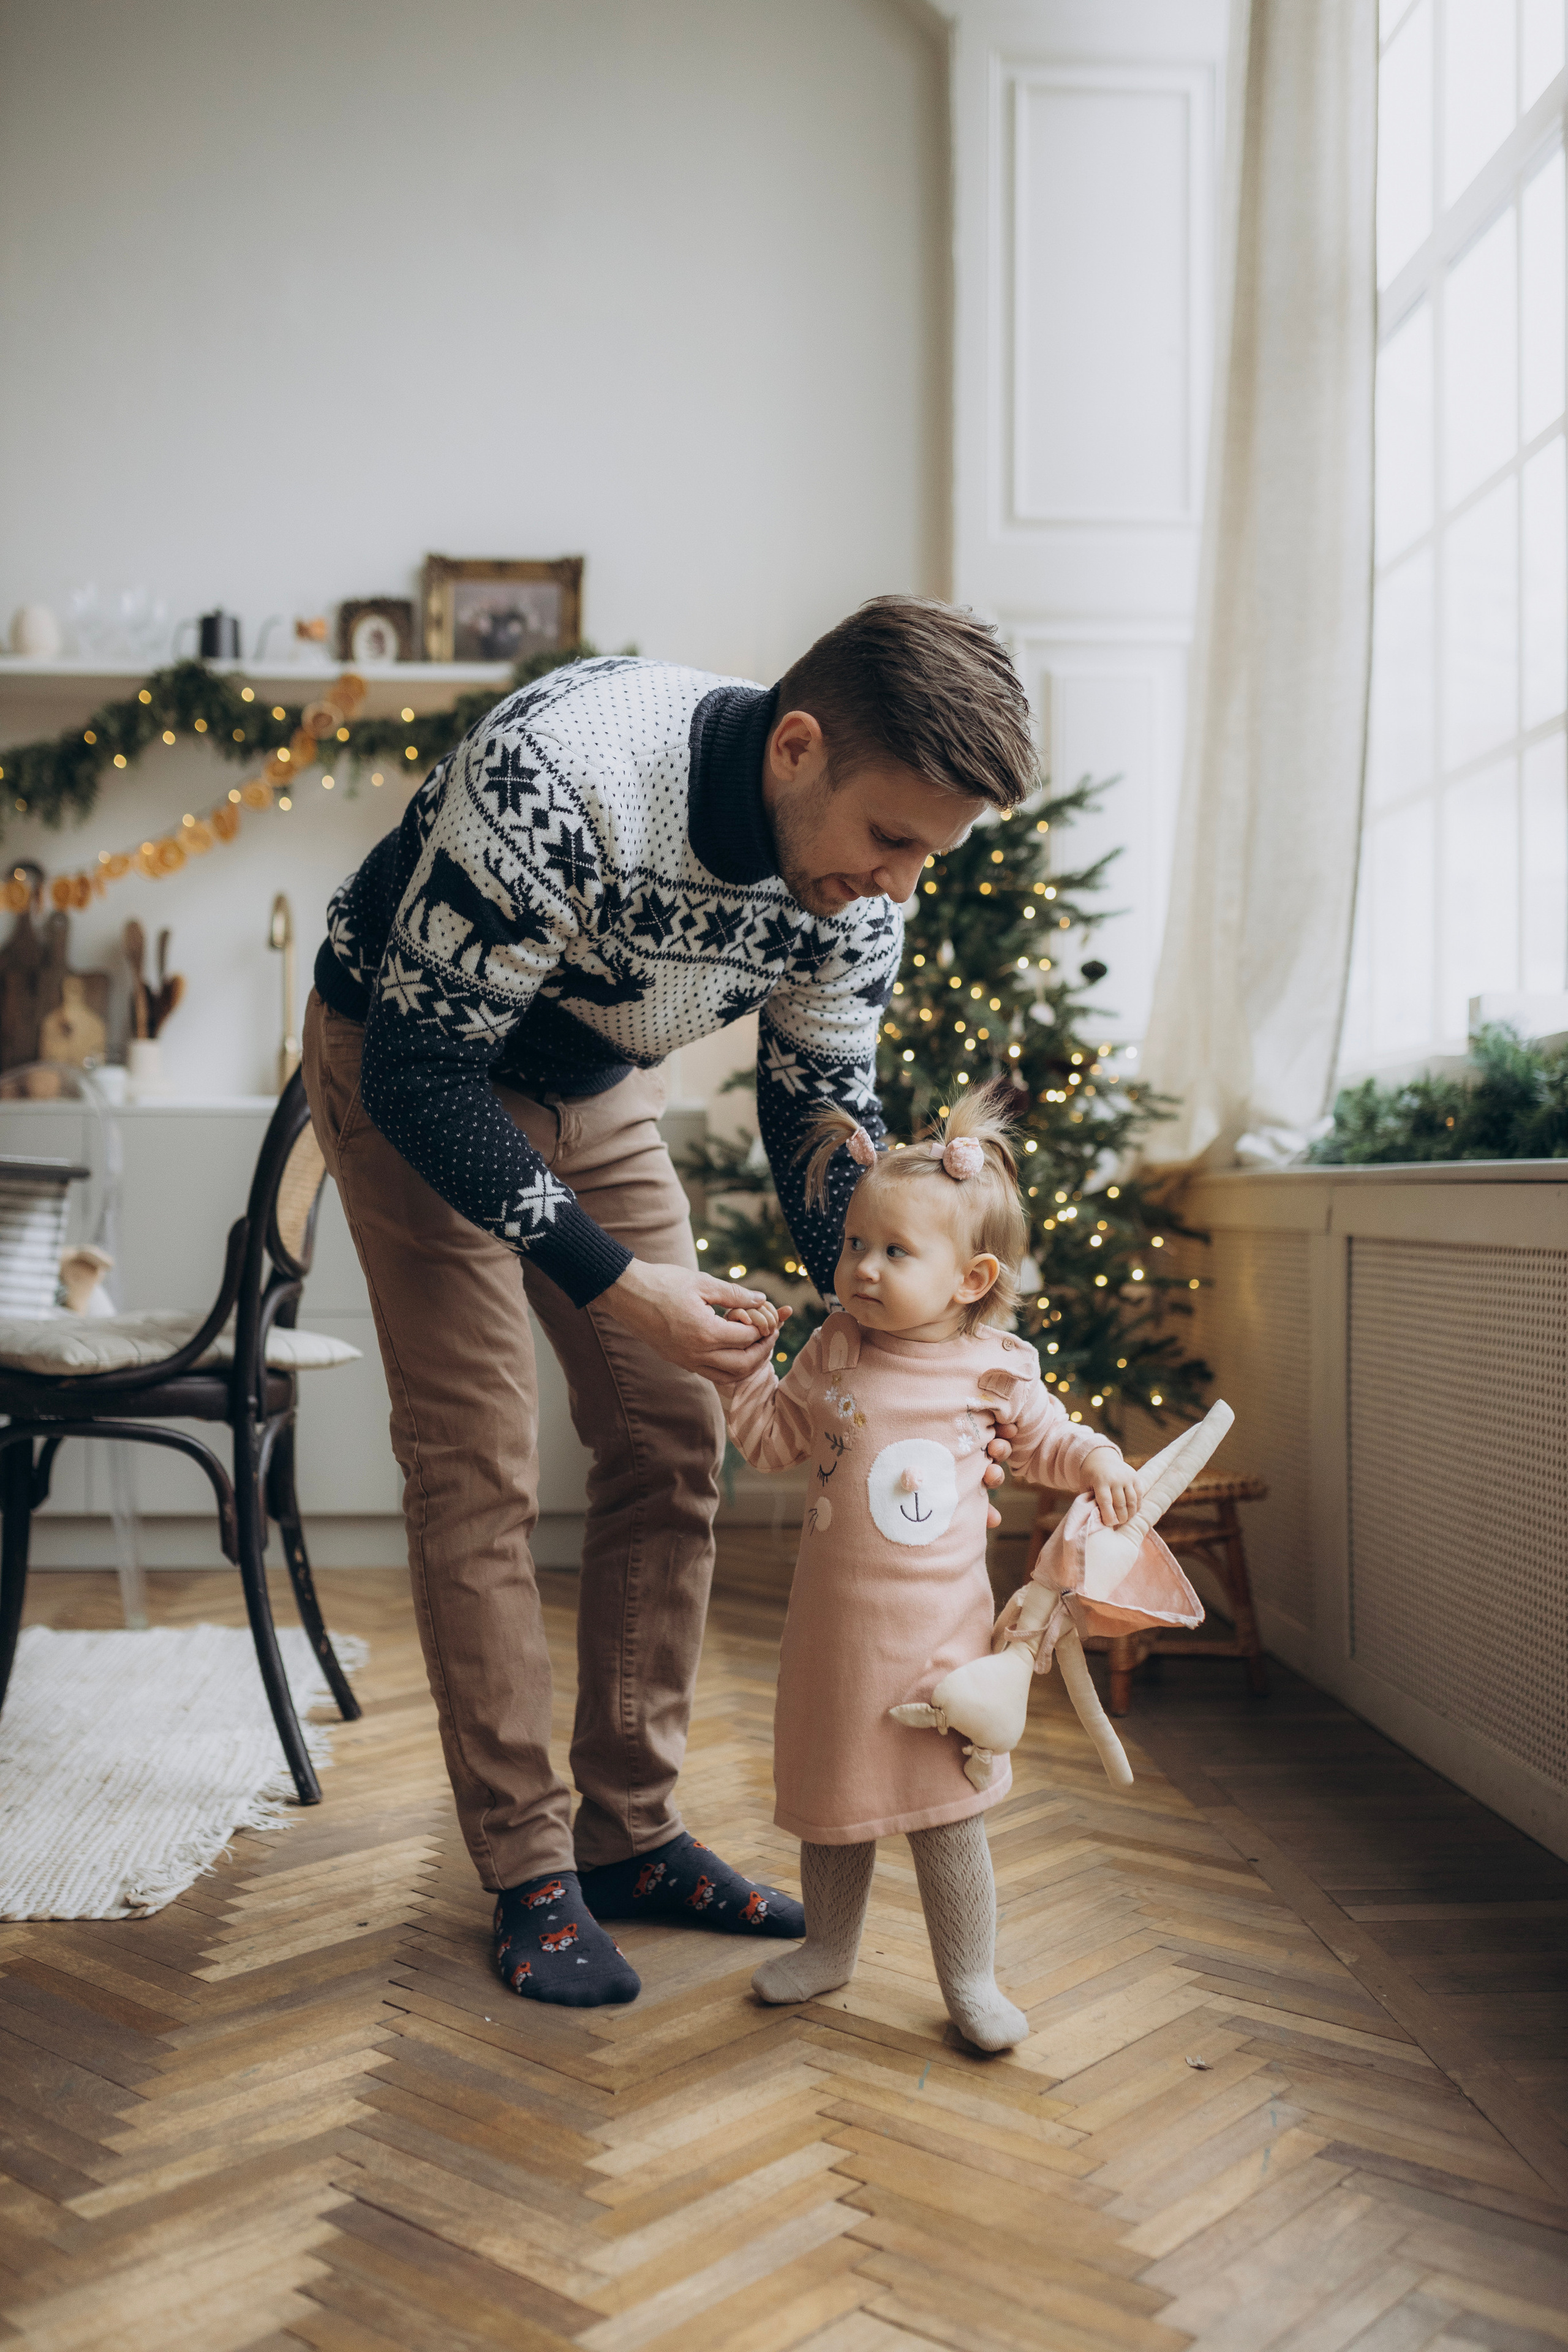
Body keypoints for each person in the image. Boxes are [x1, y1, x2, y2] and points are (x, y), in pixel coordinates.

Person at [302, 596, 1037, 2009]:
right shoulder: (564, 775)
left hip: (589, 1085)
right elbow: (421, 1076)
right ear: (798, 749)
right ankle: (529, 1871)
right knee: (479, 1467)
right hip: (409, 1067)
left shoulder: (860, 898)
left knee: (670, 1439)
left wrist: (895, 1325)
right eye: (890, 840)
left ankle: (629, 1836)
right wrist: (618, 1285)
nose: (899, 888)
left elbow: (822, 1108)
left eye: (930, 858)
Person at [716, 1082, 1137, 2048]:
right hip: (833, 1643)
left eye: (894, 1252)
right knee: (833, 1807)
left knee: (946, 1820)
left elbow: (1050, 1445)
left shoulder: (993, 1372)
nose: (861, 1268)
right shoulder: (834, 1350)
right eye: (855, 1243)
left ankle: (971, 1979)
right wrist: (739, 1374)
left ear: (970, 1277)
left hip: (938, 1651)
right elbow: (775, 1443)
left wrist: (1102, 1460)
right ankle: (829, 1953)